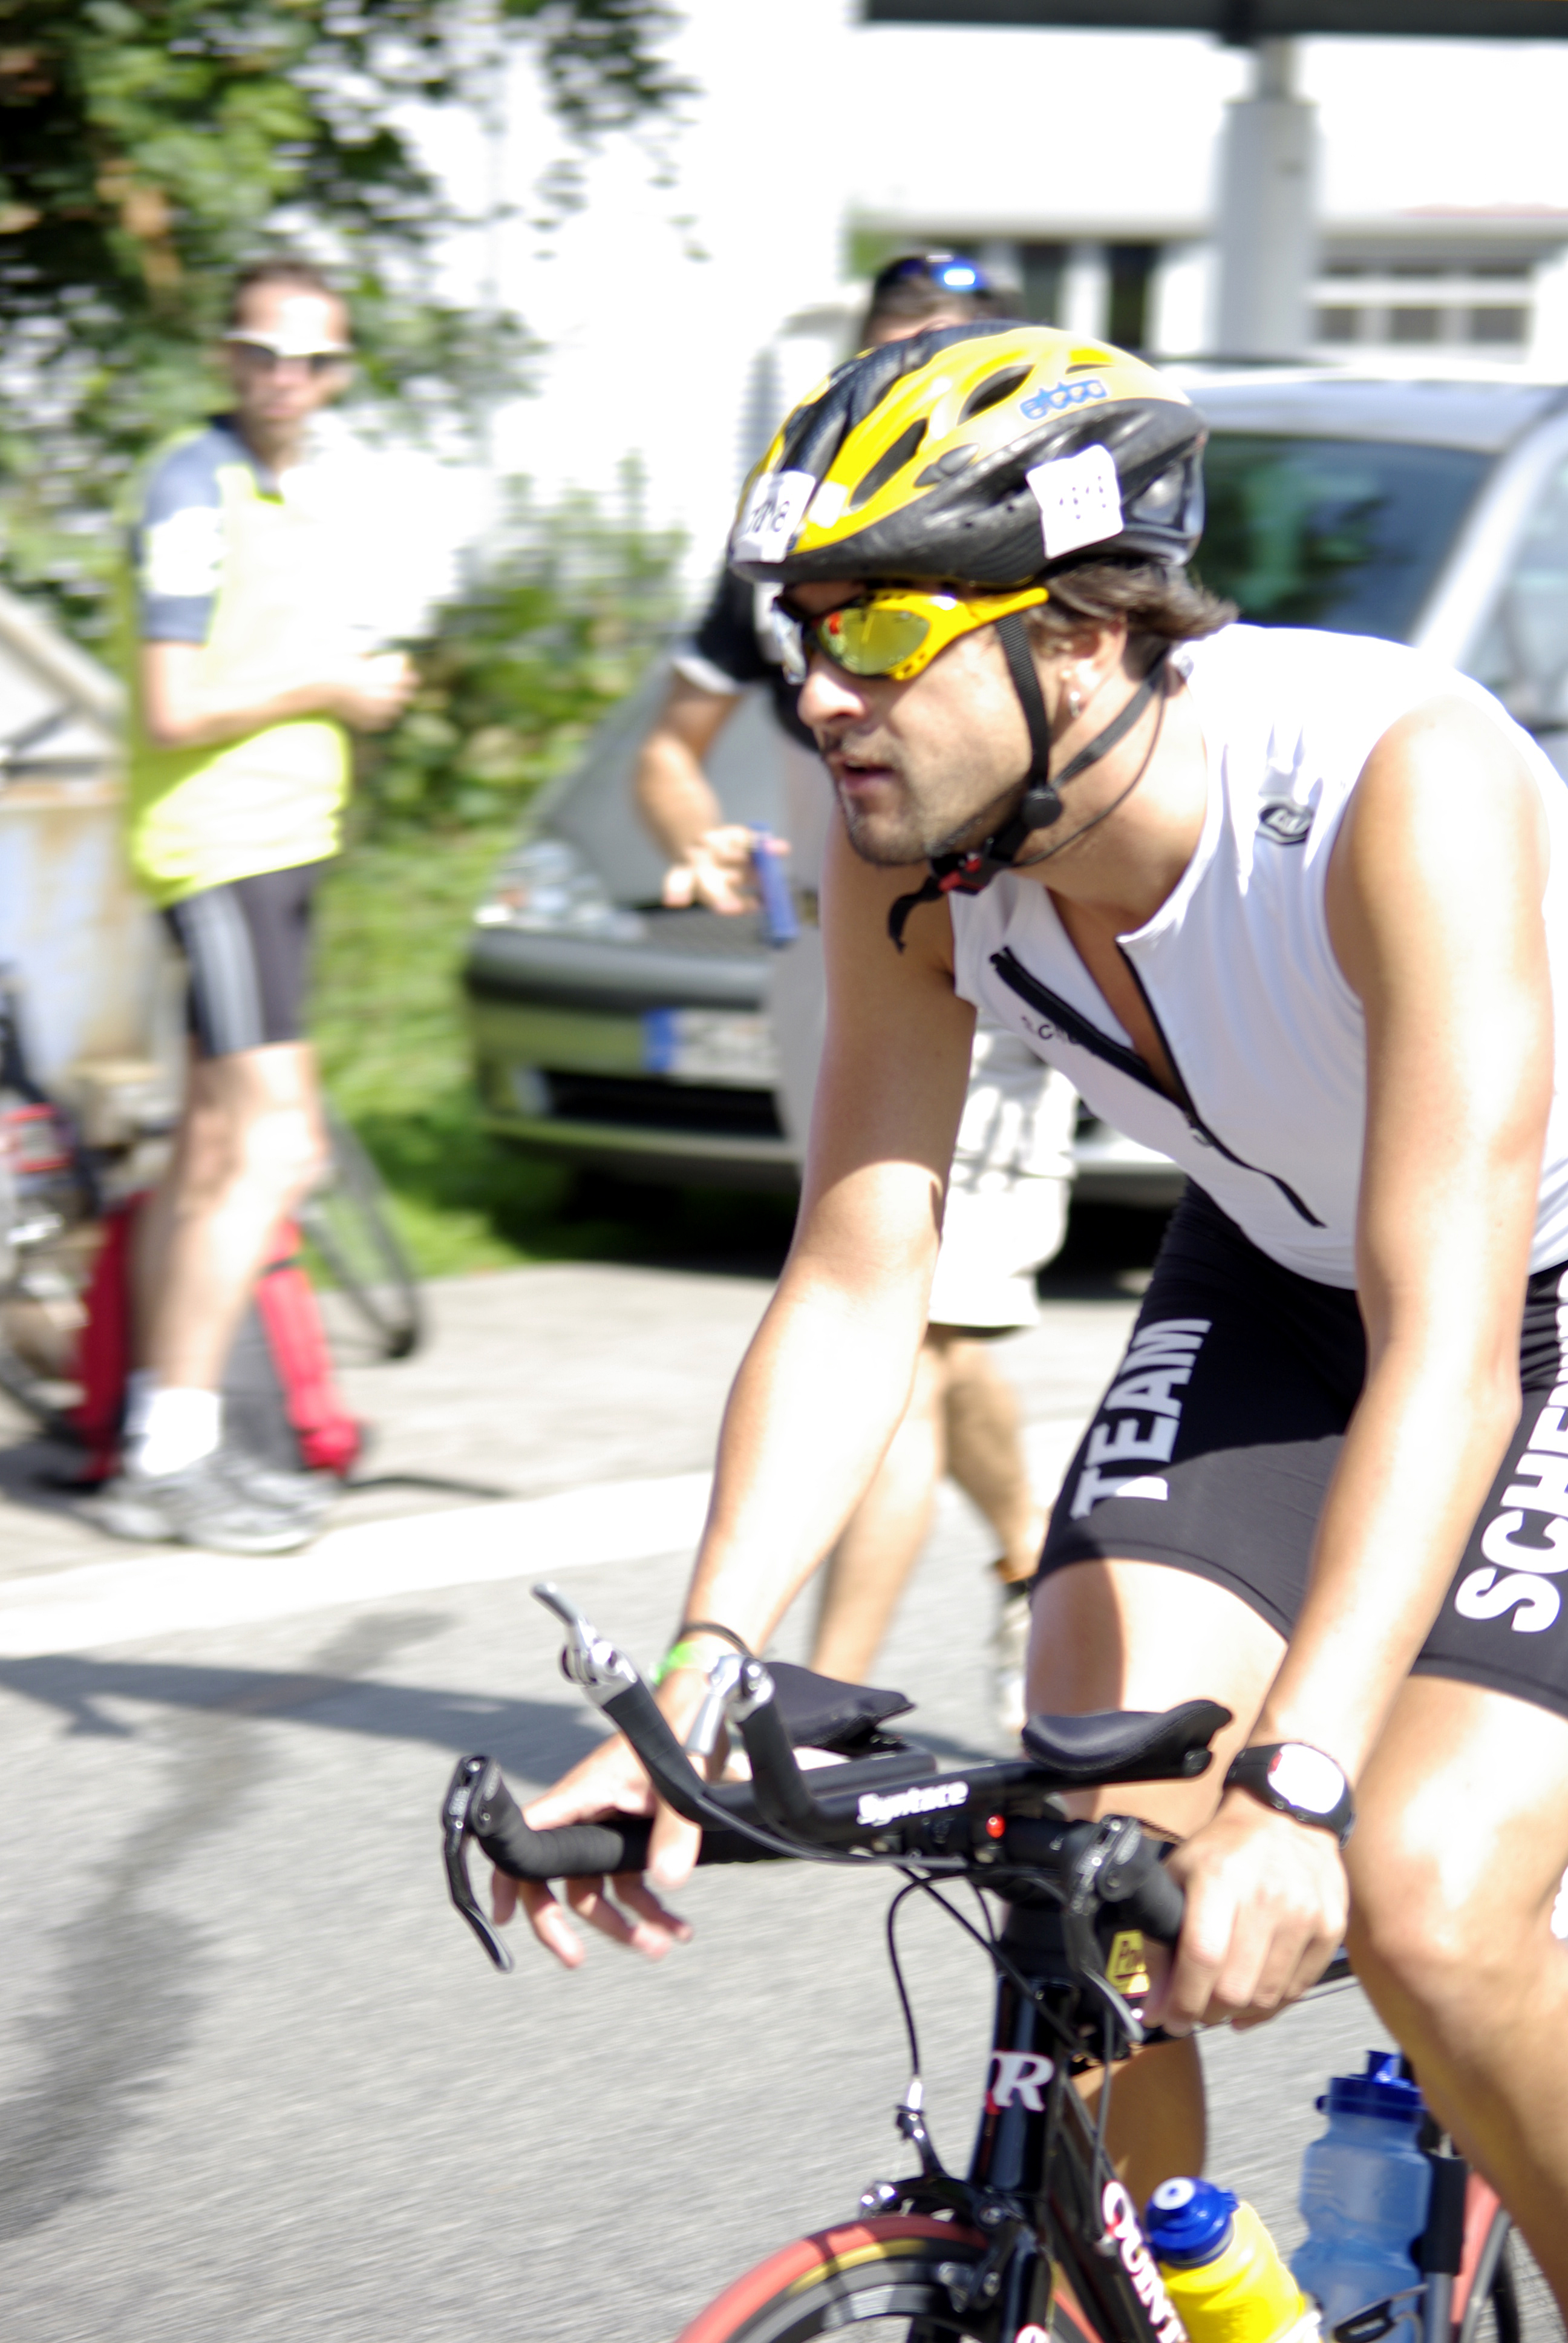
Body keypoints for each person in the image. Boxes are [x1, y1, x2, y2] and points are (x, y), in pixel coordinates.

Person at [502, 318, 1568, 2309]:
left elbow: (1450, 1341)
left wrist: (1304, 1781)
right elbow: (856, 1267)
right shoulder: (916, 848)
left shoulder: (1388, 782)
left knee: (1423, 1896)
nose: (821, 694)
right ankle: (1168, 2292)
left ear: (1081, 635)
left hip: (1522, 1296)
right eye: (804, 633)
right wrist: (700, 1676)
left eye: (881, 630)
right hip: (1288, 1265)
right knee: (1091, 1822)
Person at [635, 253, 1078, 1722]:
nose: (832, 683)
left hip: (994, 955)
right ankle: (1029, 1550)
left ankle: (818, 1703)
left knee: (920, 1331)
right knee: (911, 1314)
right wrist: (693, 833)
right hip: (833, 957)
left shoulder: (1032, 558)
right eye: (899, 343)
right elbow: (668, 751)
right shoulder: (791, 554)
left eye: (956, 346)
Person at [90, 258, 414, 1555]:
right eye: (263, 353)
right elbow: (174, 705)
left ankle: (153, 1434)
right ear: (227, 357)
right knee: (275, 1151)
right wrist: (331, 685)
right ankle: (169, 1456)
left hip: (275, 848)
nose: (288, 378)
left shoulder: (285, 487)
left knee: (213, 1152)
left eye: (313, 360)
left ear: (338, 374)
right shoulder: (193, 486)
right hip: (223, 849)